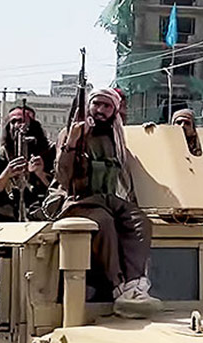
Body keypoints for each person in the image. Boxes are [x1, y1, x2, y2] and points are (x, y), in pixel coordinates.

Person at [50, 88, 161, 318]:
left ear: (115, 110)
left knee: (140, 221)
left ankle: (135, 284)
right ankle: (118, 285)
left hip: (107, 199)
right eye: (96, 104)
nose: (100, 110)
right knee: (103, 223)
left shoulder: (116, 136)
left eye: (106, 106)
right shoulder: (73, 134)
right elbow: (63, 177)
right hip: (77, 201)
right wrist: (71, 142)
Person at [0, 106, 55, 222]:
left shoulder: (50, 150)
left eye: (22, 121)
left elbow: (60, 189)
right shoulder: (4, 153)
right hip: (11, 205)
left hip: (40, 203)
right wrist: (7, 173)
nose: (18, 125)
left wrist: (41, 174)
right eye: (13, 122)